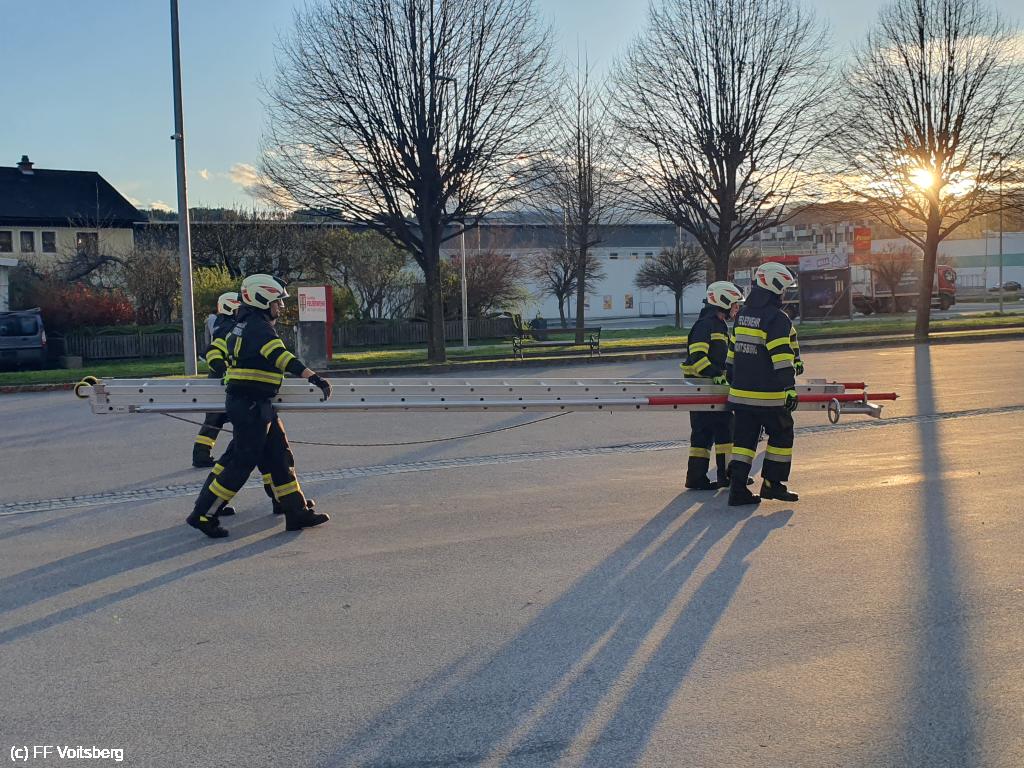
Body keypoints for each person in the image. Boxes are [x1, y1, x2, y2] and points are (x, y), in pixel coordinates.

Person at [186, 274, 332, 538]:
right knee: (241, 463)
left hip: (255, 403)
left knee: (279, 456)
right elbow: (281, 357)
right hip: (251, 404)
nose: (281, 307)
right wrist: (313, 377)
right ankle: (204, 514)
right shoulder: (259, 328)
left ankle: (296, 512)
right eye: (277, 302)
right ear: (262, 300)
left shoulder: (244, 324)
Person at [727, 262, 800, 506]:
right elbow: (782, 357)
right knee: (782, 433)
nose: (784, 293)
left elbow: (732, 353)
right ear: (775, 287)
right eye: (783, 288)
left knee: (744, 442)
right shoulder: (777, 319)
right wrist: (789, 388)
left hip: (740, 394)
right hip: (768, 396)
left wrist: (732, 380)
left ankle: (737, 490)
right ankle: (772, 484)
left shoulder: (742, 315)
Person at [681, 281, 745, 490]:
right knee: (705, 433)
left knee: (722, 430)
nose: (736, 308)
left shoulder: (719, 324)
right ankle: (698, 478)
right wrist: (715, 374)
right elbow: (698, 357)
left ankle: (722, 476)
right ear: (722, 301)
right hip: (703, 388)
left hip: (713, 388)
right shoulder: (705, 325)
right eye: (734, 304)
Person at [192, 292, 241, 468]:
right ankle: (235, 455)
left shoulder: (222, 323)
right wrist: (225, 372)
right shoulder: (228, 327)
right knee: (233, 418)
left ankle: (201, 455)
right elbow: (214, 353)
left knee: (215, 419)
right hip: (223, 378)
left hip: (218, 377)